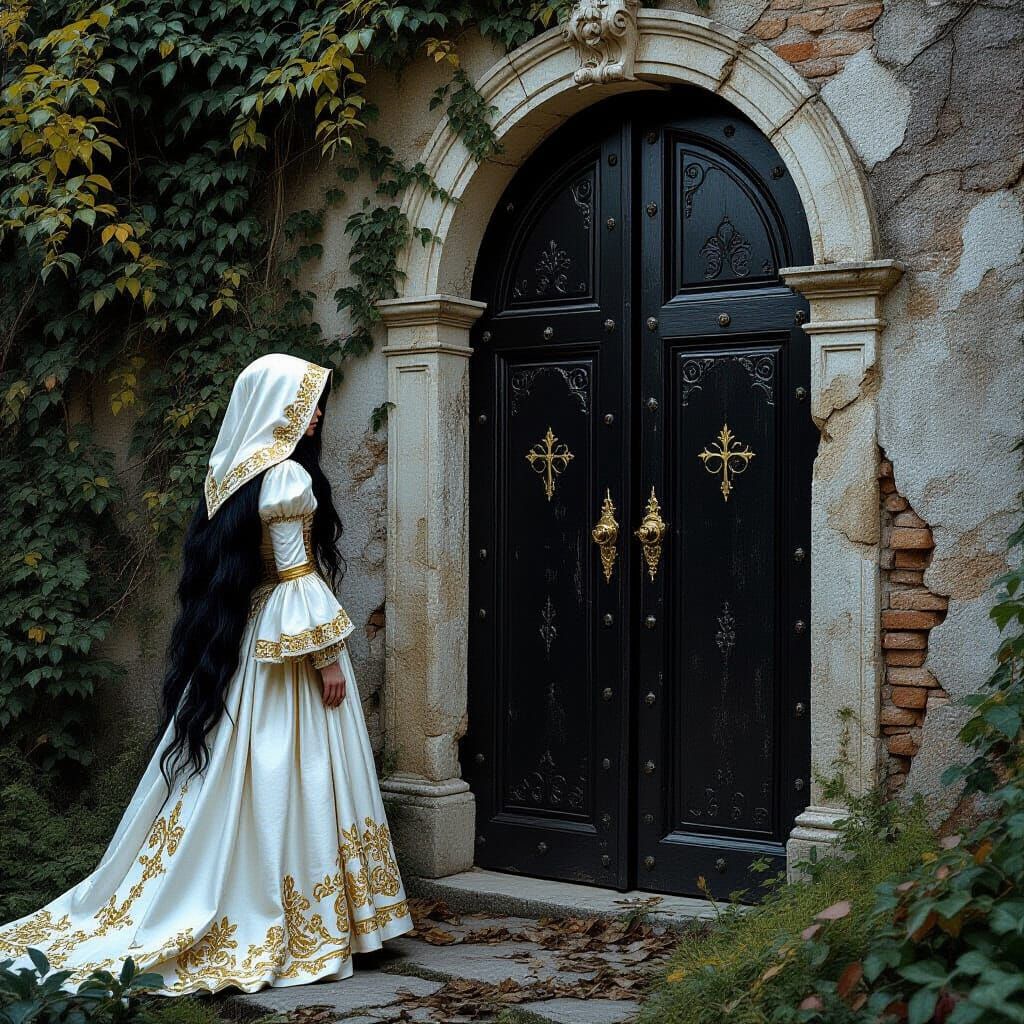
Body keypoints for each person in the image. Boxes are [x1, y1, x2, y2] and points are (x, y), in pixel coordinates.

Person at [0, 353, 415, 994]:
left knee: (244, 775)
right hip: (287, 654)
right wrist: (330, 660)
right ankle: (301, 918)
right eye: (306, 404)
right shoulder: (287, 482)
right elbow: (297, 577)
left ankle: (265, 899)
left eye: (317, 406)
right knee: (292, 773)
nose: (316, 417)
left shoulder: (235, 477)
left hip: (250, 646)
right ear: (278, 409)